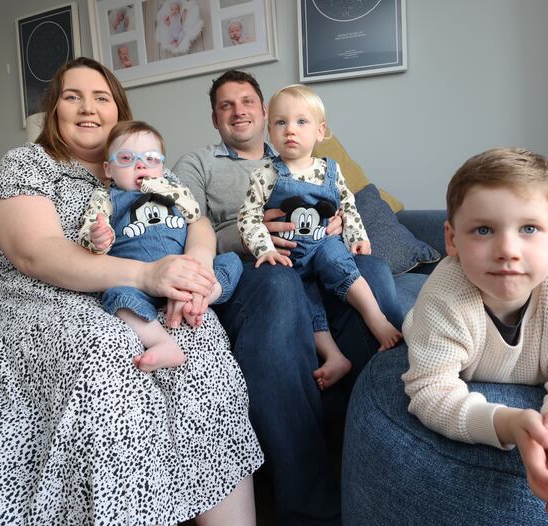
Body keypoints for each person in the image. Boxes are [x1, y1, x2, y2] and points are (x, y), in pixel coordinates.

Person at [0, 57, 262, 525]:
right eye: (72, 97)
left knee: (202, 344)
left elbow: (197, 222)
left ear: (117, 109)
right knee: (109, 350)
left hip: (121, 300)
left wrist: (196, 268)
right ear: (53, 110)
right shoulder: (27, 164)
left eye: (101, 97)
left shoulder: (137, 164)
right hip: (32, 301)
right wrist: (145, 276)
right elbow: (34, 253)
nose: (88, 108)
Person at [172, 69, 403, 525]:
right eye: (225, 105)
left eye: (247, 102)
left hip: (317, 256)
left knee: (372, 271)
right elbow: (183, 234)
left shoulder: (313, 159)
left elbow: (345, 204)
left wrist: (337, 227)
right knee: (280, 285)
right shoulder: (198, 164)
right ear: (215, 119)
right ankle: (308, 505)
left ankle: (389, 470)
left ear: (264, 111)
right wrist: (251, 237)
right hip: (256, 268)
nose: (238, 110)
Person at [401, 147, 548, 524]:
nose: (507, 251)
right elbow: (431, 389)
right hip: (428, 324)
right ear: (452, 240)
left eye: (529, 229)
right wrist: (506, 423)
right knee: (401, 314)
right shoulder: (444, 295)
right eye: (483, 230)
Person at [238, 84, 402, 390]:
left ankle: (375, 317)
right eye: (280, 122)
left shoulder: (329, 169)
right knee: (304, 300)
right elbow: (248, 217)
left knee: (337, 261)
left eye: (301, 122)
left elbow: (348, 205)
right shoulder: (265, 175)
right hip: (291, 255)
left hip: (324, 244)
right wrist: (263, 249)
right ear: (269, 132)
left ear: (320, 131)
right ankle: (333, 356)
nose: (290, 130)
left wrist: (356, 237)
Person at [78, 120, 242, 372]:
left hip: (184, 274)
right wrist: (98, 237)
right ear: (108, 169)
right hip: (136, 280)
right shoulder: (106, 197)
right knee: (116, 296)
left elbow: (194, 214)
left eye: (151, 158)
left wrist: (162, 187)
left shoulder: (172, 189)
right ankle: (161, 342)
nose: (140, 165)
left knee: (231, 261)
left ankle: (200, 297)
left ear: (162, 167)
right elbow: (89, 234)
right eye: (126, 158)